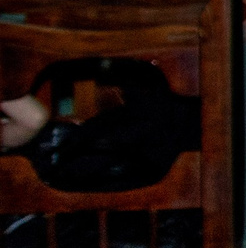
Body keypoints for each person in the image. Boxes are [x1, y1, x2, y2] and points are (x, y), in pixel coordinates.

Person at [1, 56, 199, 193]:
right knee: (162, 125)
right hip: (68, 168)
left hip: (80, 146)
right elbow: (33, 118)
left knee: (158, 111)